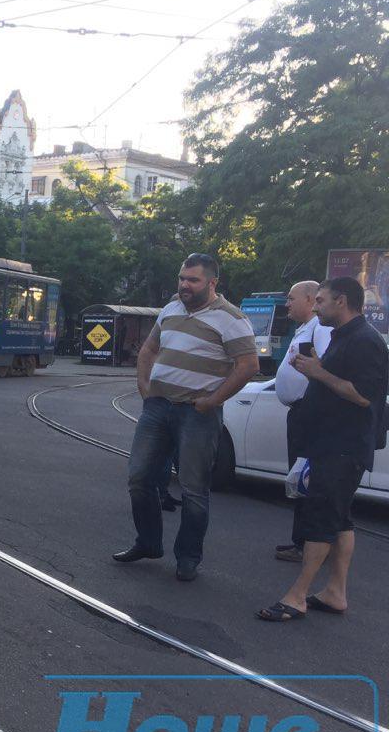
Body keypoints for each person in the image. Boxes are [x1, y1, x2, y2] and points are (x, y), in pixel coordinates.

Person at [115, 253, 259, 581]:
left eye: (192, 280)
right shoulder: (170, 310)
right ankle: (148, 543)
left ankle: (188, 557)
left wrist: (212, 401)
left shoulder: (231, 318)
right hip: (158, 407)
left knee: (193, 489)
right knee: (139, 478)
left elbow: (249, 365)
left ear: (212, 283)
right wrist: (144, 388)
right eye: (181, 278)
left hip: (197, 414)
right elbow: (149, 350)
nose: (184, 285)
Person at [258, 278, 388, 621]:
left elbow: (364, 395)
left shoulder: (365, 341)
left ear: (342, 301)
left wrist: (320, 373)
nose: (315, 308)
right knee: (340, 520)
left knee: (320, 519)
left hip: (342, 447)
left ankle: (297, 595)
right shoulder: (345, 336)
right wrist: (318, 370)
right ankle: (335, 593)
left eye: (320, 301)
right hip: (331, 442)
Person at [272, 280, 333, 562]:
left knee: (304, 478)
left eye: (291, 298)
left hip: (309, 413)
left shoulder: (319, 329)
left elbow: (322, 368)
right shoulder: (305, 329)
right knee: (298, 477)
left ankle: (306, 544)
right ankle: (300, 540)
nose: (287, 304)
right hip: (300, 412)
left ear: (310, 300)